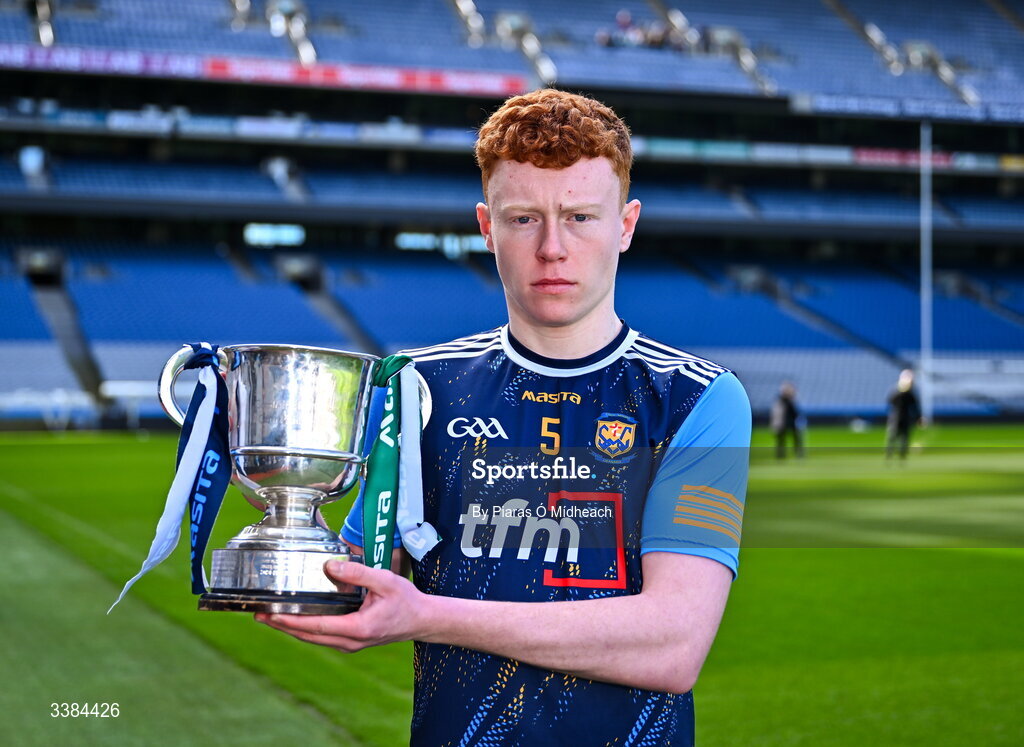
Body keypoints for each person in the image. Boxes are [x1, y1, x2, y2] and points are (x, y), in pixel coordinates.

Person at [256, 89, 752, 746]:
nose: (553, 246)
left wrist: (427, 615)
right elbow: (361, 582)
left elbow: (674, 643)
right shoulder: (419, 387)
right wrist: (283, 541)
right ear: (486, 225)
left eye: (580, 216)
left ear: (626, 225)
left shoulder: (698, 398)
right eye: (524, 219)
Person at [886, 368, 921, 459]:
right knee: (893, 436)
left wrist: (918, 418)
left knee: (903, 437)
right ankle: (890, 453)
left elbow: (915, 406)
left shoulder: (910, 394)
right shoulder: (897, 392)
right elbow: (890, 402)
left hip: (904, 417)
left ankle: (902, 454)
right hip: (897, 417)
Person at [770, 380, 804, 459]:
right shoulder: (781, 401)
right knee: (781, 440)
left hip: (790, 422)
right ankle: (781, 455)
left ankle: (797, 453)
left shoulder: (789, 401)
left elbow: (794, 412)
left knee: (794, 438)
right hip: (783, 423)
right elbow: (777, 413)